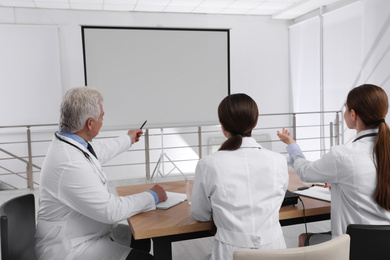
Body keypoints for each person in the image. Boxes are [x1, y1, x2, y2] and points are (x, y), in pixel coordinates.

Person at [35, 87, 167, 260]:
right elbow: (111, 210)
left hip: (85, 230)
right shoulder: (69, 163)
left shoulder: (70, 142)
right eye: (102, 116)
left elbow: (98, 151)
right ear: (90, 123)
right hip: (70, 247)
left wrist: (128, 139)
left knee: (140, 240)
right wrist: (152, 196)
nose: (103, 120)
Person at [277, 84, 390, 246]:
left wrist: (292, 145)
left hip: (354, 246)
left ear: (353, 114)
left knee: (304, 238)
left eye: (345, 109)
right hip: (385, 246)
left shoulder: (344, 155)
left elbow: (305, 172)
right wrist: (340, 184)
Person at [191, 93, 289, 260]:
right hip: (275, 252)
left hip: (230, 254)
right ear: (255, 122)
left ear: (222, 125)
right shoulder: (279, 161)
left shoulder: (209, 164)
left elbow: (200, 214)